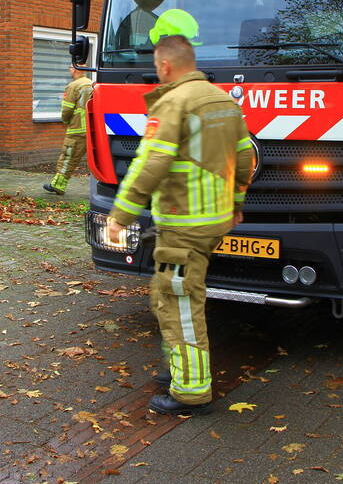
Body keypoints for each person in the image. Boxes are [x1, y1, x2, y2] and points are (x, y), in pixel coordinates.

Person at [105, 32, 254, 416]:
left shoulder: (174, 103)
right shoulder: (223, 100)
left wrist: (120, 215)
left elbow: (151, 163)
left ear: (165, 66)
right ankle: (180, 368)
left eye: (156, 67)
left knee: (179, 303)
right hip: (214, 218)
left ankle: (190, 389)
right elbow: (244, 157)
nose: (157, 73)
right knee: (165, 292)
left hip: (184, 222)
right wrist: (237, 202)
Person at [43, 64, 92, 195]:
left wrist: (65, 120)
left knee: (68, 158)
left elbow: (67, 109)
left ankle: (58, 185)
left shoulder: (73, 86)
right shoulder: (91, 84)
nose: (69, 70)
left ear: (75, 69)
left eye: (70, 67)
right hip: (92, 129)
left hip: (77, 129)